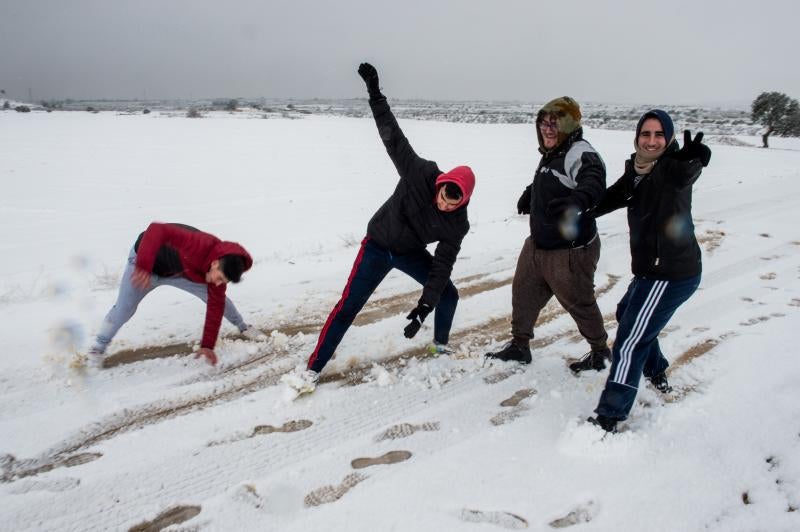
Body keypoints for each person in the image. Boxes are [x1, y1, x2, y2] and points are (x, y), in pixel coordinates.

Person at [290, 62, 476, 393]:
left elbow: (443, 264)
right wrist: (375, 93)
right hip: (377, 245)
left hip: (408, 252)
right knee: (348, 307)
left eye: (454, 202)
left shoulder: (456, 224)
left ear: (463, 202)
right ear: (442, 183)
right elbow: (392, 135)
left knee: (448, 294)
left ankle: (440, 347)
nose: (446, 204)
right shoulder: (420, 172)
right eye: (446, 194)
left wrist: (423, 307)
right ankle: (312, 370)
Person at [587, 110, 711, 433]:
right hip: (651, 271)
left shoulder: (672, 169)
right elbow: (612, 196)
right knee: (627, 311)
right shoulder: (637, 171)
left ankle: (610, 416)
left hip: (671, 274)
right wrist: (582, 208)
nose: (652, 140)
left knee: (630, 340)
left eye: (659, 135)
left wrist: (692, 159)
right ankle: (656, 373)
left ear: (668, 139)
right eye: (646, 134)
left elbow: (685, 172)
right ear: (637, 138)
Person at [485, 97, 609, 368]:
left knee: (579, 302)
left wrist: (578, 201)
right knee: (523, 294)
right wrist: (532, 193)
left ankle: (600, 351)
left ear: (571, 125)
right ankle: (519, 346)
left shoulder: (579, 152)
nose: (548, 129)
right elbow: (554, 178)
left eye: (556, 123)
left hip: (569, 251)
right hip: (538, 245)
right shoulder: (553, 153)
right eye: (544, 122)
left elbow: (593, 181)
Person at [88, 222, 257, 368]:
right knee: (124, 309)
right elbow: (156, 229)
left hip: (180, 273)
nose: (219, 283)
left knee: (218, 300)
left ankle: (243, 327)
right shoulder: (198, 244)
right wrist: (143, 267)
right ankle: (98, 347)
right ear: (215, 263)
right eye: (220, 278)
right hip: (144, 267)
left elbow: (216, 307)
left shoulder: (216, 276)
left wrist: (207, 345)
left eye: (224, 282)